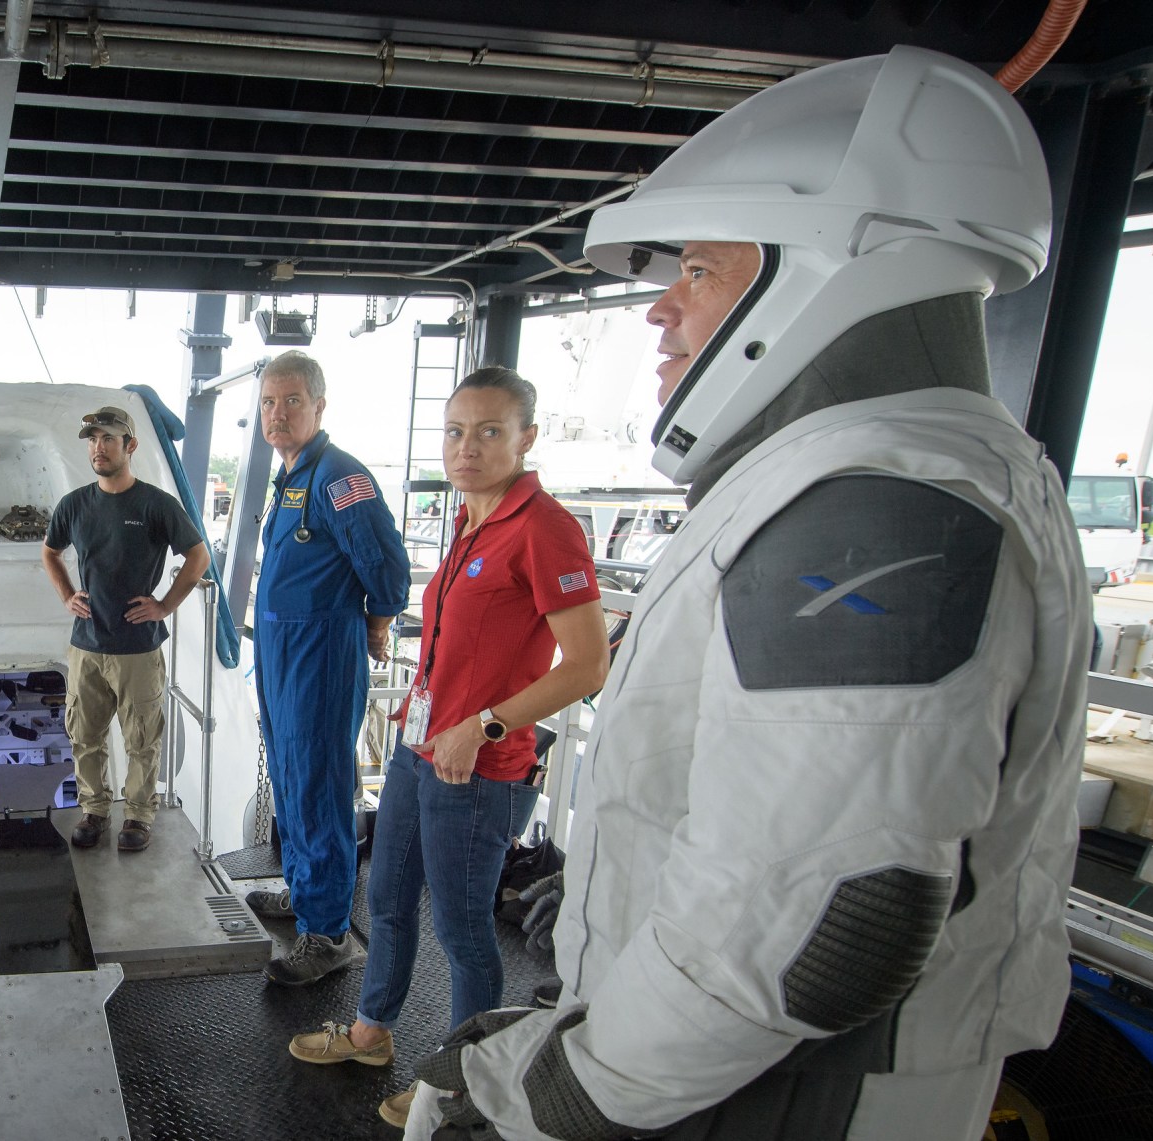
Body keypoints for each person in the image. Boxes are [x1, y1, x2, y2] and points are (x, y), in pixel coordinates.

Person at [404, 47, 1086, 1141]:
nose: (657, 312)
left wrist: (560, 1093)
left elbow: (823, 919)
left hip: (776, 1100)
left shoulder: (875, 503)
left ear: (823, 272)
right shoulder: (881, 476)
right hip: (735, 1080)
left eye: (698, 272)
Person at [285, 367, 609, 1129]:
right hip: (419, 749)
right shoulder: (469, 516)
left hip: (480, 768)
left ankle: (466, 1081)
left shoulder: (544, 527)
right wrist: (426, 703)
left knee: (464, 931)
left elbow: (589, 664)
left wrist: (484, 722)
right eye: (456, 431)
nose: (468, 447)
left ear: (526, 439)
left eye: (490, 431)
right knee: (388, 898)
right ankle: (369, 1032)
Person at [246, 350, 412, 986]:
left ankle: (329, 932)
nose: (278, 413)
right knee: (289, 774)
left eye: (291, 401)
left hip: (321, 650)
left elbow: (385, 565)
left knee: (317, 780)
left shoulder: (340, 477)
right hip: (282, 651)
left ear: (319, 406)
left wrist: (377, 619)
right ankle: (303, 890)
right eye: (268, 402)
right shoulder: (291, 476)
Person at [40, 405, 211, 851]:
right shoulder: (74, 505)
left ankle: (137, 816)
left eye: (108, 439)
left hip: (137, 647)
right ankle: (94, 810)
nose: (98, 448)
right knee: (85, 735)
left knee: (141, 738)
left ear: (129, 446)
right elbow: (50, 552)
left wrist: (164, 606)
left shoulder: (156, 505)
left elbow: (198, 557)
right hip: (88, 644)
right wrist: (66, 594)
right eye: (93, 440)